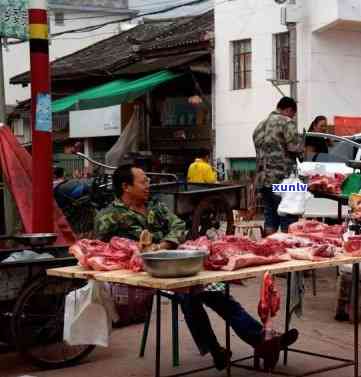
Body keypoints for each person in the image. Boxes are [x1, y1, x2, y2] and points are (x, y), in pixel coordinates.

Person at [95, 164, 299, 370]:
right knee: (188, 295)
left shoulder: (155, 206)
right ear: (126, 187)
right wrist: (136, 251)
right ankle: (221, 348)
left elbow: (178, 226)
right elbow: (104, 248)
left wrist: (163, 246)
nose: (148, 185)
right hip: (139, 273)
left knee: (215, 291)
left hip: (172, 264)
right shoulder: (109, 216)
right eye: (143, 181)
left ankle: (259, 341)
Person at [253, 97, 304, 235]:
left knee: (271, 217)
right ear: (289, 110)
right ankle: (288, 251)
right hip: (283, 179)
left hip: (263, 180)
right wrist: (303, 149)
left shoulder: (259, 126)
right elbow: (294, 147)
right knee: (289, 217)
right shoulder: (287, 122)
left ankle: (271, 249)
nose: (293, 117)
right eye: (293, 114)